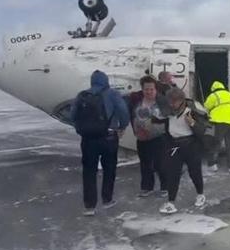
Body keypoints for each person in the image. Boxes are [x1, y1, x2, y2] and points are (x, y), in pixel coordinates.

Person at [70, 70, 129, 216]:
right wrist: (122, 127)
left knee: (89, 171)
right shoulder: (112, 94)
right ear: (106, 81)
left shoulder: (82, 95)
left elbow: (73, 115)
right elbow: (123, 111)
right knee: (109, 169)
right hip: (108, 137)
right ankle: (107, 199)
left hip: (88, 139)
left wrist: (81, 129)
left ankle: (89, 206)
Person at [157, 88, 210, 214]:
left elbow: (202, 131)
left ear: (181, 101)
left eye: (174, 101)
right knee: (172, 174)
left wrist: (192, 123)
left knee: (194, 172)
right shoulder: (169, 113)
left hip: (191, 145)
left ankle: (200, 194)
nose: (171, 104)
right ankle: (171, 202)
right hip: (175, 146)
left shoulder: (190, 113)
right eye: (170, 101)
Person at [127, 75, 169, 198]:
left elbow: (169, 118)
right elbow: (133, 116)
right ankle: (147, 187)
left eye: (151, 89)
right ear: (142, 89)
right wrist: (136, 130)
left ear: (156, 89)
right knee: (145, 163)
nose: (149, 91)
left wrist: (154, 124)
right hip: (142, 138)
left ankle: (165, 186)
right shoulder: (137, 102)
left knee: (160, 163)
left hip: (159, 137)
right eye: (146, 89)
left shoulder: (162, 101)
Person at [204, 81, 230, 173]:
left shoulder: (214, 95)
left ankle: (213, 165)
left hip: (220, 121)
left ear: (213, 89)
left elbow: (205, 107)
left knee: (216, 143)